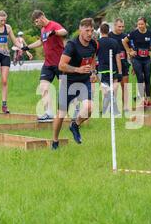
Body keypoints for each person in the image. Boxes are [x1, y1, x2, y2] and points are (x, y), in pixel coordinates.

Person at [52, 18, 98, 150]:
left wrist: (94, 72)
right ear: (80, 30)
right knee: (61, 114)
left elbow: (93, 59)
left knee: (89, 107)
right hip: (69, 81)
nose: (90, 33)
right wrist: (77, 69)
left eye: (92, 30)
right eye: (87, 30)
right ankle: (55, 141)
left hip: (84, 81)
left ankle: (75, 125)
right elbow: (61, 65)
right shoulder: (72, 45)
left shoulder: (94, 44)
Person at [22, 10, 68, 122]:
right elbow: (41, 42)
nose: (36, 24)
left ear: (42, 17)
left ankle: (69, 112)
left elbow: (64, 31)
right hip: (48, 64)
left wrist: (55, 33)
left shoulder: (53, 25)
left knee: (64, 89)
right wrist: (27, 47)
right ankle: (49, 113)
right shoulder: (43, 30)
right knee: (43, 87)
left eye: (37, 21)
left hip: (60, 63)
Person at [122, 17, 151, 107]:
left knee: (147, 78)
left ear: (145, 24)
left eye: (142, 24)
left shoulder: (150, 33)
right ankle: (142, 100)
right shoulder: (134, 33)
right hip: (137, 59)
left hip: (146, 59)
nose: (140, 26)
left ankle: (149, 100)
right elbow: (124, 41)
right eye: (138, 24)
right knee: (140, 78)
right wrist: (129, 51)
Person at [98, 23, 123, 116]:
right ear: (108, 31)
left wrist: (93, 71)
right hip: (113, 69)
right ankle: (111, 109)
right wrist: (120, 72)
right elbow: (118, 58)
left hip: (102, 70)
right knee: (112, 90)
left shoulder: (97, 42)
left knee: (106, 91)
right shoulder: (114, 42)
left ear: (100, 31)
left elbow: (93, 57)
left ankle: (107, 109)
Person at [108, 18, 131, 112]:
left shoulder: (125, 37)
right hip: (113, 64)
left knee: (125, 85)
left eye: (122, 27)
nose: (121, 28)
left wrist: (131, 62)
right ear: (114, 26)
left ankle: (125, 106)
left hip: (124, 63)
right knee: (114, 87)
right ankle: (113, 106)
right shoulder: (109, 36)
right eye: (119, 26)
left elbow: (129, 50)